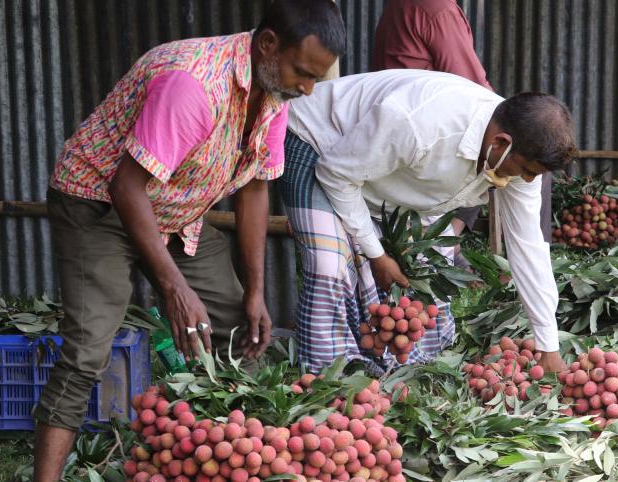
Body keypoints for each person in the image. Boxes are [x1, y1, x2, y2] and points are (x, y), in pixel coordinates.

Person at [33, 1, 345, 480]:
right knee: (88, 352)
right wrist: (175, 290)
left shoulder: (276, 94)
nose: (306, 89)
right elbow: (126, 187)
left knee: (242, 324)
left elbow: (256, 186)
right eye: (302, 73)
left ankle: (223, 452)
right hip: (99, 203)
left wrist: (256, 289)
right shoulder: (193, 85)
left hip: (177, 210)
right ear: (267, 44)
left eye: (314, 80)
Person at [281, 69, 574, 374]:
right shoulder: (421, 124)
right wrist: (377, 254)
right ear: (501, 142)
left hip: (377, 174)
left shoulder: (517, 151)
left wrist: (547, 344)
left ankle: (389, 367)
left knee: (427, 267)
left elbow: (528, 247)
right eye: (526, 170)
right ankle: (328, 377)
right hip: (319, 145)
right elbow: (336, 174)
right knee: (331, 263)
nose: (526, 179)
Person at [373, 0, 492, 262]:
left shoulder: (398, 4)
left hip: (399, 119)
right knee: (520, 145)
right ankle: (447, 238)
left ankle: (444, 237)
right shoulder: (438, 9)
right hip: (422, 126)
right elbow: (471, 84)